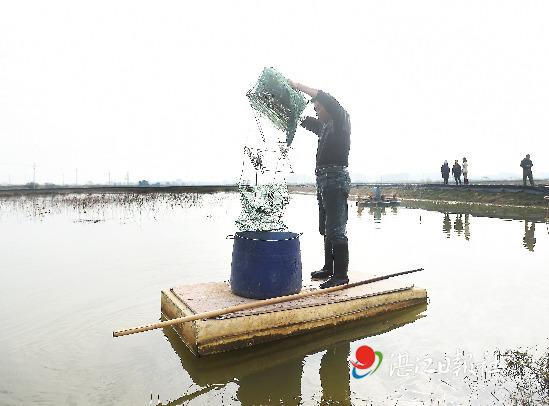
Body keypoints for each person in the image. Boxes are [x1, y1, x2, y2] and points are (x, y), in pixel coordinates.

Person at [289, 79, 351, 289]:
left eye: (317, 108)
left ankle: (341, 275)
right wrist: (286, 105)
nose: (315, 111)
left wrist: (296, 85)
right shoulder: (324, 126)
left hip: (335, 179)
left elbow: (324, 96)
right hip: (323, 179)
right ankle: (328, 268)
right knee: (325, 227)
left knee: (336, 228)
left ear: (327, 107)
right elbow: (303, 120)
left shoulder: (340, 119)